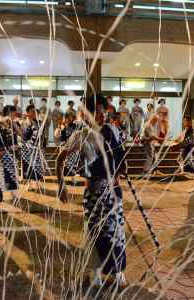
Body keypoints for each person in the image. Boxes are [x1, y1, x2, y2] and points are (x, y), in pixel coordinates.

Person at [56, 94, 128, 287]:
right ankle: (93, 271)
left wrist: (121, 168)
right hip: (94, 192)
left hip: (114, 191)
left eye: (103, 110)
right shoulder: (80, 135)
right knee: (95, 232)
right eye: (97, 111)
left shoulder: (113, 130)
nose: (102, 114)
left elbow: (120, 158)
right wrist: (61, 184)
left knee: (116, 231)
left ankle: (117, 270)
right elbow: (60, 159)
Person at [22, 104, 46, 185]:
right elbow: (24, 135)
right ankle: (29, 182)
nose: (34, 113)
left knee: (37, 165)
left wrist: (42, 146)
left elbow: (42, 135)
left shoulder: (39, 123)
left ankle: (37, 182)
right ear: (28, 112)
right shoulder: (23, 122)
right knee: (28, 165)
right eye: (32, 111)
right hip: (27, 148)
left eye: (35, 112)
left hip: (37, 148)